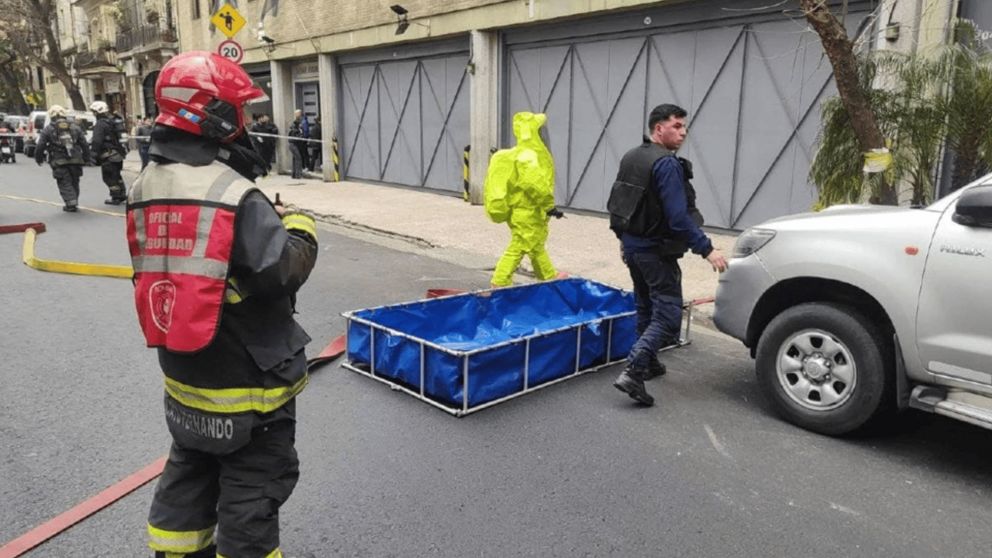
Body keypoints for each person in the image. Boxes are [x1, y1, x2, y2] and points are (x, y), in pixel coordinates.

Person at [125, 51, 318, 558]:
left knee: (189, 475)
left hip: (186, 376)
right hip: (247, 386)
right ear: (213, 114)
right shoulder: (234, 193)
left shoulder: (145, 184)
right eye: (240, 110)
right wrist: (300, 228)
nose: (246, 121)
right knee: (254, 489)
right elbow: (280, 271)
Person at [607, 103, 727, 406]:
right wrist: (707, 249)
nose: (683, 132)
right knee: (669, 313)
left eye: (684, 126)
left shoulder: (632, 156)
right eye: (677, 126)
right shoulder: (666, 164)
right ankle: (634, 370)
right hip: (655, 251)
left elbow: (621, 205)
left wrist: (624, 241)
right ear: (659, 129)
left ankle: (648, 363)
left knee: (645, 306)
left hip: (633, 248)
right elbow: (678, 218)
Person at [484, 111, 560, 287]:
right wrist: (549, 206)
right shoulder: (528, 157)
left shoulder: (522, 154)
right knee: (519, 246)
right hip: (528, 211)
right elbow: (535, 185)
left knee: (535, 246)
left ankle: (548, 277)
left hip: (526, 211)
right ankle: (500, 281)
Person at [34, 105, 90, 212]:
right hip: (76, 160)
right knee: (74, 181)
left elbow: (40, 145)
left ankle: (71, 203)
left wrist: (38, 158)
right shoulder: (75, 127)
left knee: (64, 182)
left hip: (59, 161)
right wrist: (87, 158)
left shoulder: (48, 129)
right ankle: (73, 200)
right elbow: (84, 144)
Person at [89, 101, 128, 204]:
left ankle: (116, 197)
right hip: (118, 154)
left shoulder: (100, 124)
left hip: (108, 155)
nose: (93, 114)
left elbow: (97, 141)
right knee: (117, 175)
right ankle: (122, 194)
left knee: (109, 177)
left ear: (97, 112)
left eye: (94, 112)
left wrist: (93, 155)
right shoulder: (112, 121)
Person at [287, 110, 305, 179]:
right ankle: (298, 175)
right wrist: (301, 136)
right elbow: (296, 137)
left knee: (295, 159)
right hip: (294, 145)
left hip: (293, 145)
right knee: (298, 158)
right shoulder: (295, 130)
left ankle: (294, 174)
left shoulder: (295, 128)